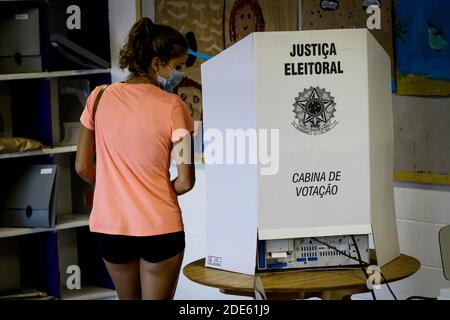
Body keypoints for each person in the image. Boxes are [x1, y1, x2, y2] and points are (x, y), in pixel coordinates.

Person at [75, 17, 195, 300]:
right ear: (157, 63)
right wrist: (160, 190)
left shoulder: (99, 97)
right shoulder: (173, 106)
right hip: (160, 227)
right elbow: (186, 180)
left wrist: (110, 188)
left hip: (111, 228)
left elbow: (81, 166)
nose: (177, 74)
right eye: (176, 67)